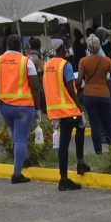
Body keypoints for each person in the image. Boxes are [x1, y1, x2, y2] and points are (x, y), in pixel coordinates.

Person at [0, 33, 43, 184]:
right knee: (21, 139)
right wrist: (38, 108)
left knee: (17, 137)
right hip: (24, 107)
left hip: (5, 106)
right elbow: (35, 88)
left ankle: (24, 160)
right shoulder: (26, 62)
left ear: (7, 46)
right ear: (21, 46)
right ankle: (17, 174)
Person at [42, 44, 85, 190]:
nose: (67, 52)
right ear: (61, 50)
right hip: (68, 109)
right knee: (72, 136)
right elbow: (70, 88)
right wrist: (79, 106)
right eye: (65, 49)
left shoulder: (47, 66)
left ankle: (75, 168)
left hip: (55, 110)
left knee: (68, 139)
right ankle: (67, 177)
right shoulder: (65, 65)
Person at [77, 34, 111, 153]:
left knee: (95, 124)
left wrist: (82, 84)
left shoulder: (83, 61)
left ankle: (98, 151)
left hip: (89, 95)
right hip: (104, 94)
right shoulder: (107, 60)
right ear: (99, 46)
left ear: (88, 48)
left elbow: (79, 80)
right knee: (107, 121)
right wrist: (105, 80)